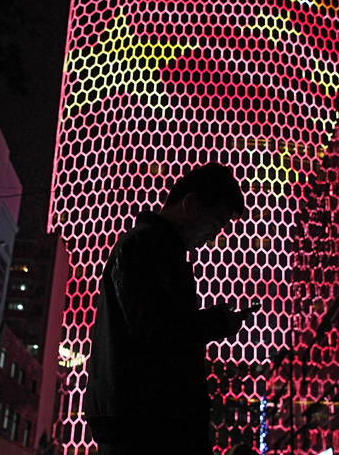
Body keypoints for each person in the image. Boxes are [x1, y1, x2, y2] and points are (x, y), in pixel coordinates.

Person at [85, 162, 252, 455]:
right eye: (215, 223)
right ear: (190, 204)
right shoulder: (145, 246)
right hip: (145, 430)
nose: (212, 237)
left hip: (145, 425)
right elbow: (156, 333)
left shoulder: (154, 248)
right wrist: (217, 322)